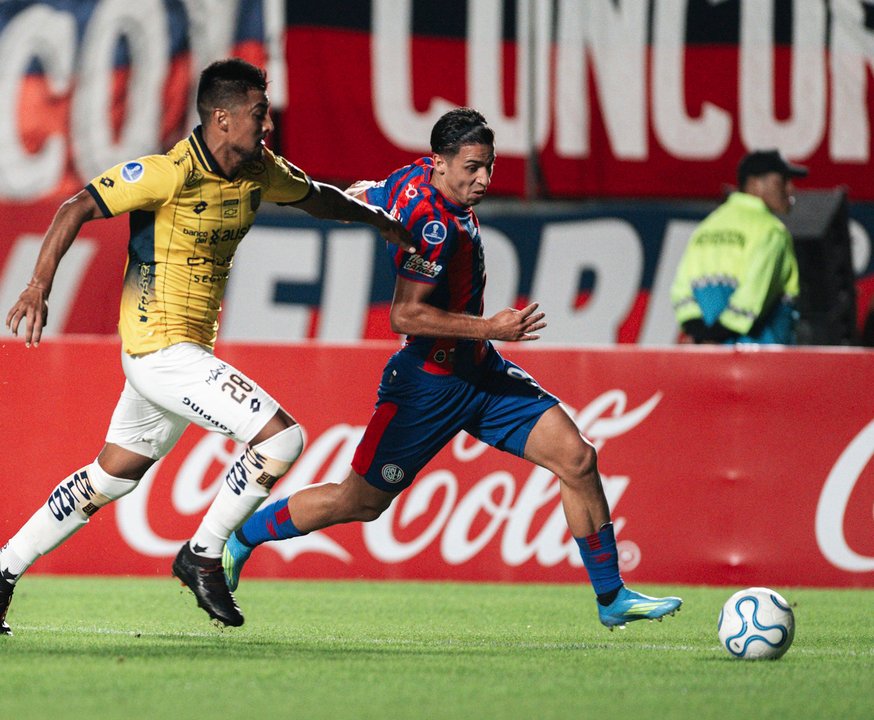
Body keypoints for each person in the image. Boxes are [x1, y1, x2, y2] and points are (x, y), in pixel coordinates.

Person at [221, 107, 682, 630]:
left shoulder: (415, 176)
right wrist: (494, 328)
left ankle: (611, 596)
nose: (483, 179)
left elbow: (366, 191)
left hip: (480, 376)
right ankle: (243, 536)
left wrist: (359, 200)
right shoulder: (434, 226)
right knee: (360, 502)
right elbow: (405, 314)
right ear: (441, 163)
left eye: (488, 166)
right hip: (427, 385)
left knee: (576, 459)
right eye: (472, 167)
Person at [0, 58, 413, 635]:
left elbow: (317, 196)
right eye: (258, 113)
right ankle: (202, 552)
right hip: (160, 350)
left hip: (177, 355)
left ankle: (3, 570)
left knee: (112, 477)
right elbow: (76, 207)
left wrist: (377, 220)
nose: (266, 124)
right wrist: (39, 284)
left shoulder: (257, 169)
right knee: (282, 439)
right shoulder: (166, 173)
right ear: (222, 116)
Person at [671, 149, 806, 344]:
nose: (790, 188)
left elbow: (681, 291)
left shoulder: (705, 228)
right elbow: (752, 299)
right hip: (762, 360)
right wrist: (716, 337)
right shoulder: (771, 231)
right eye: (782, 181)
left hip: (709, 359)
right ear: (754, 185)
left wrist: (703, 337)